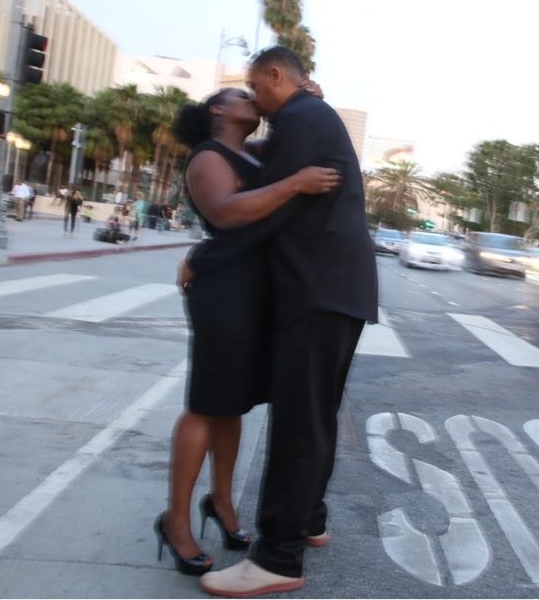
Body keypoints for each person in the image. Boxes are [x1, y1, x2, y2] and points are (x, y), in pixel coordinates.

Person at [188, 47, 377, 597]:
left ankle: (277, 557)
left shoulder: (297, 118)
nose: (256, 99)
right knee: (314, 420)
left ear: (276, 77)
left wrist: (202, 258)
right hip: (335, 291)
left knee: (299, 426)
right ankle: (309, 519)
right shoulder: (311, 117)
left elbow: (265, 213)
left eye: (256, 86)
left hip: (316, 292)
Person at [154, 87, 340, 578]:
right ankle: (175, 520)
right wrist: (296, 183)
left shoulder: (248, 153)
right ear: (218, 110)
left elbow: (286, 146)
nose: (253, 100)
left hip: (255, 293)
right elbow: (227, 214)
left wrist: (304, 98)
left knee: (232, 404)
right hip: (223, 293)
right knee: (206, 403)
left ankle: (223, 503)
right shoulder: (208, 158)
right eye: (243, 96)